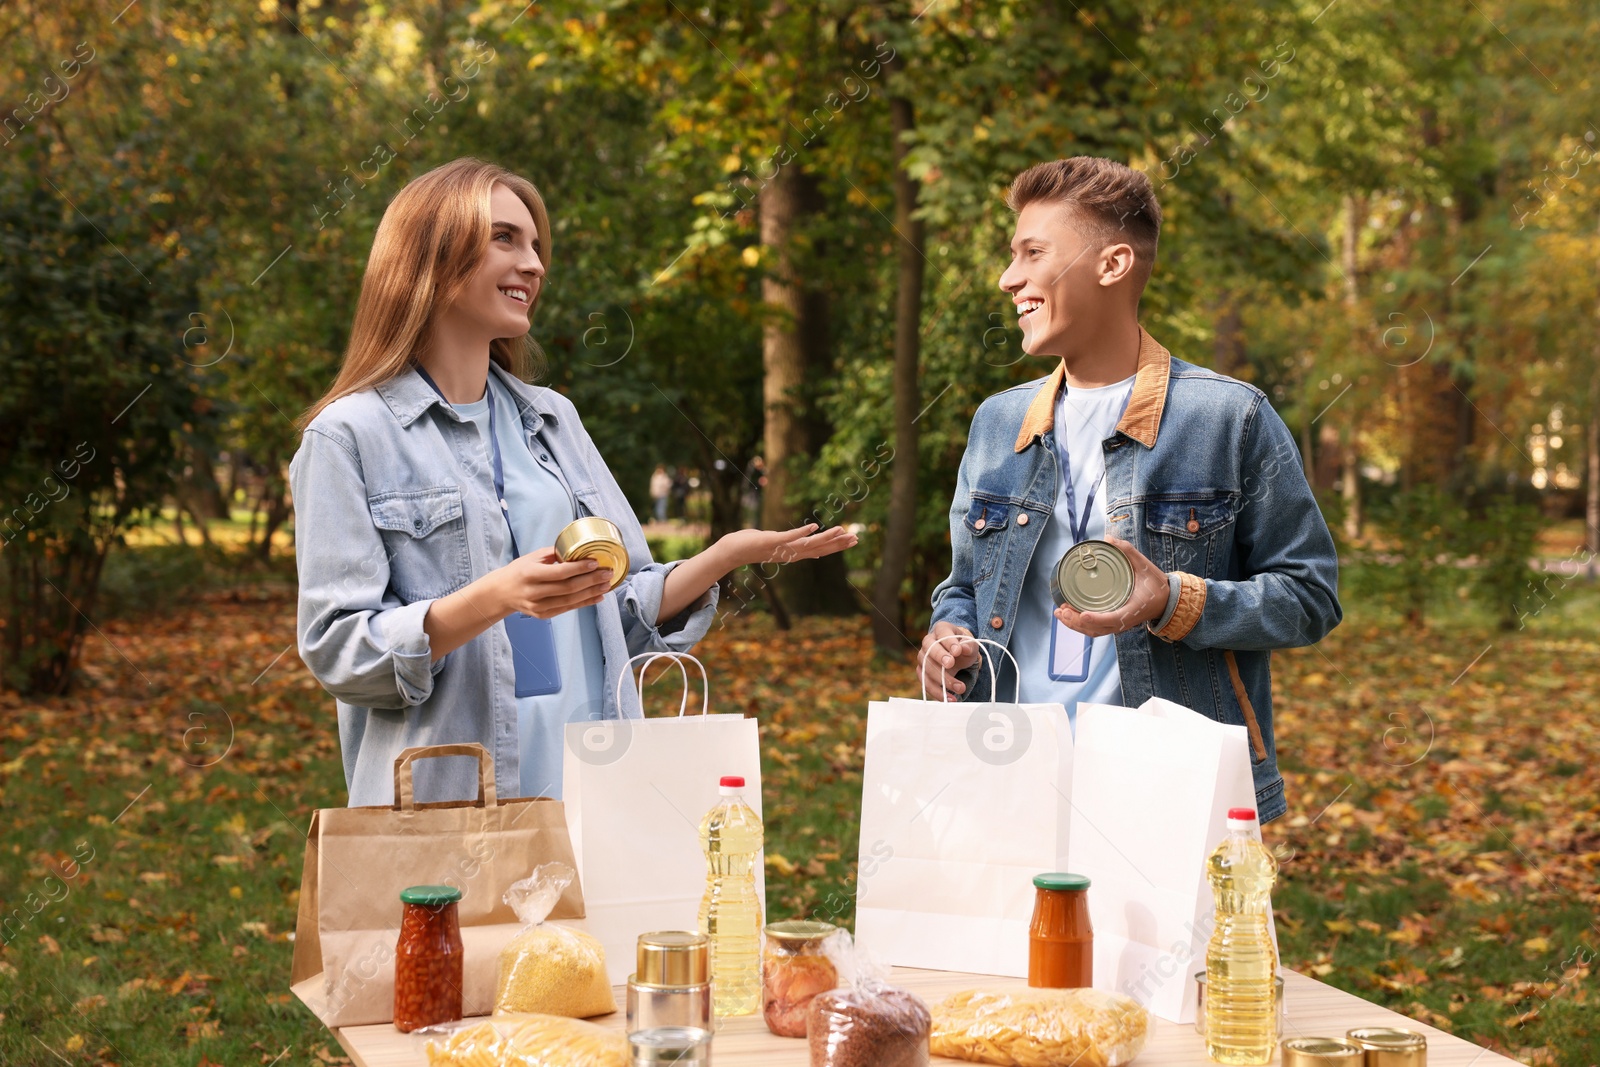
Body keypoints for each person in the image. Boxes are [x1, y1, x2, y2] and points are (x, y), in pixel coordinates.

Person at [291, 158, 856, 807]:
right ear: (432, 255)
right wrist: (496, 596)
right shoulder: (348, 437)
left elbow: (622, 613)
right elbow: (339, 649)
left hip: (592, 779)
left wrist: (727, 555)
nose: (533, 263)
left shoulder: (552, 418)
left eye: (534, 245)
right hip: (453, 793)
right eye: (505, 238)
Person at [919, 157, 1341, 823]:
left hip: (1166, 790)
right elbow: (965, 585)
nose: (1008, 279)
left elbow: (1311, 596)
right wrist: (951, 634)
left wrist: (1172, 599)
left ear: (1112, 265)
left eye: (1033, 253)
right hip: (1006, 776)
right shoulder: (998, 423)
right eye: (1011, 255)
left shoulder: (1230, 418)